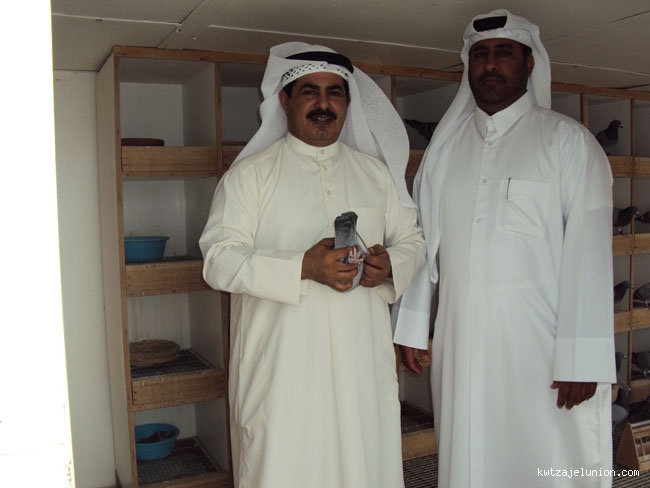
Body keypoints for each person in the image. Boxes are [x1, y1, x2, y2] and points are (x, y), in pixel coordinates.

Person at [393, 9, 615, 488]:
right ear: (468, 66)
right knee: (470, 456)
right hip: (460, 346)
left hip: (542, 351)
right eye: (480, 55)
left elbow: (591, 256)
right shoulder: (444, 153)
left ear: (529, 64)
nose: (490, 64)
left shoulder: (568, 143)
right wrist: (411, 326)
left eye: (504, 52)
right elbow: (421, 242)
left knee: (548, 457)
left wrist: (582, 358)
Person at [199, 42, 426, 488]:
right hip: (282, 373)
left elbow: (412, 241)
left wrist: (389, 266)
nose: (323, 104)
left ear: (347, 102)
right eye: (309, 92)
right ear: (285, 100)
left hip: (361, 364)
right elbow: (218, 260)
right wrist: (302, 266)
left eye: (334, 92)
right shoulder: (249, 177)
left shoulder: (376, 174)